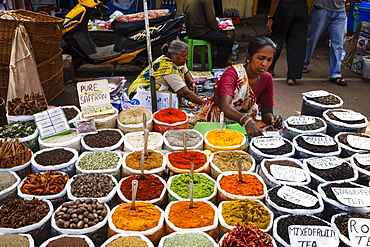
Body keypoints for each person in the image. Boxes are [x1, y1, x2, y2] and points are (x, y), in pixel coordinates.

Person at [190, 37, 282, 137]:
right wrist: (246, 121)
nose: (265, 64)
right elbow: (225, 105)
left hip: (245, 119)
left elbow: (267, 112)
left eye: (269, 60)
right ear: (248, 57)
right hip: (219, 118)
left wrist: (272, 119)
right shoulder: (233, 73)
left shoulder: (267, 79)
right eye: (260, 58)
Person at [128, 40, 204, 105]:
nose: (186, 58)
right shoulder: (168, 70)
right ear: (173, 56)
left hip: (147, 87)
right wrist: (205, 103)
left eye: (186, 55)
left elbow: (186, 72)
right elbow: (184, 93)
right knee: (171, 100)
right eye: (184, 56)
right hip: (140, 93)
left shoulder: (176, 60)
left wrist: (192, 83)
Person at [303, 0, 349, 86]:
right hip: (322, 8)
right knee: (312, 38)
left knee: (338, 43)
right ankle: (303, 63)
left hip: (339, 10)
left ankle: (335, 74)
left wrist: (347, 4)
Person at [266, 0, 308, 86]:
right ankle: (292, 76)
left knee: (276, 39)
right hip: (301, 7)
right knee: (297, 42)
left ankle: (269, 68)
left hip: (285, 6)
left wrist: (270, 17)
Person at [184, 0, 233, 69]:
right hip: (201, 31)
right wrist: (217, 28)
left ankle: (218, 60)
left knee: (221, 36)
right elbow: (211, 19)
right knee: (228, 41)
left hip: (190, 30)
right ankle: (218, 66)